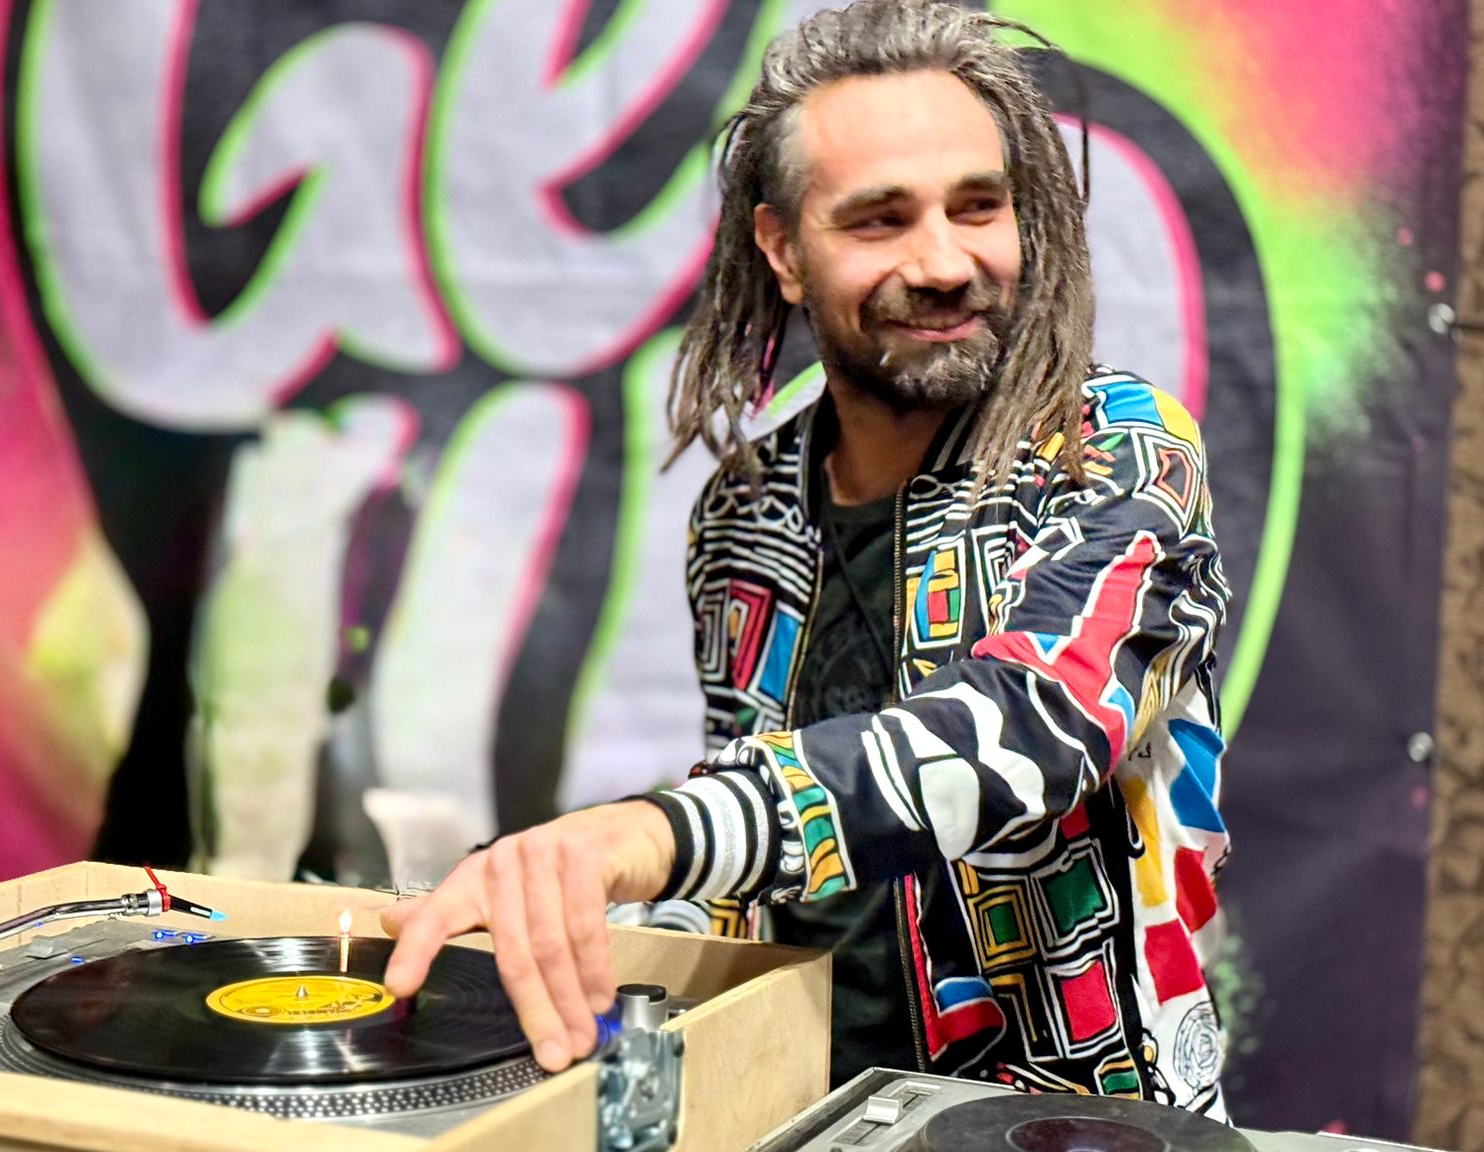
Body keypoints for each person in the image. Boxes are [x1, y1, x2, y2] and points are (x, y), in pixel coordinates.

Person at [381, 0, 1232, 1114]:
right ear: (783, 250)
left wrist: (654, 833)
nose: (945, 261)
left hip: (1072, 1124)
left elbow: (1028, 731)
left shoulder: (1116, 449)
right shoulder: (746, 510)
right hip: (792, 1112)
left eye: (978, 207)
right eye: (880, 220)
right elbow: (759, 861)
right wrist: (547, 898)